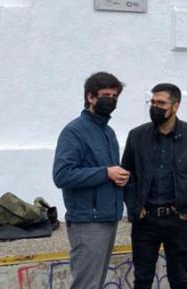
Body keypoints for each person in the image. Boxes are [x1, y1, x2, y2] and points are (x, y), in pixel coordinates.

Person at [121, 83, 187, 289]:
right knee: (143, 278)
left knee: (179, 279)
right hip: (145, 220)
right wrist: (134, 206)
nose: (155, 106)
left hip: (178, 219)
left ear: (175, 106)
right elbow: (127, 175)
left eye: (161, 103)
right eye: (153, 102)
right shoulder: (137, 136)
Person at [52, 72, 128, 289]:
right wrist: (106, 173)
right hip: (87, 222)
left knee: (96, 283)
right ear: (90, 97)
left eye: (115, 96)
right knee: (86, 284)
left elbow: (107, 172)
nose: (111, 100)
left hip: (108, 218)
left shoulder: (108, 132)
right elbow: (62, 175)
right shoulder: (74, 131)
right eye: (106, 95)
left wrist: (119, 177)